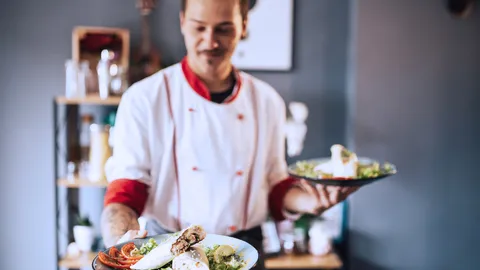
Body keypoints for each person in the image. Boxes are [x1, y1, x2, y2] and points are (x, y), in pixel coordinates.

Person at [100, 0, 359, 268]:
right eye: (199, 28)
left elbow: (275, 185)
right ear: (182, 22)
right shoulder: (143, 98)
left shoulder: (267, 101)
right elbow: (125, 192)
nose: (210, 42)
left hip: (244, 251)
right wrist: (122, 241)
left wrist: (312, 201)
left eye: (223, 29)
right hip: (170, 252)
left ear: (243, 26)